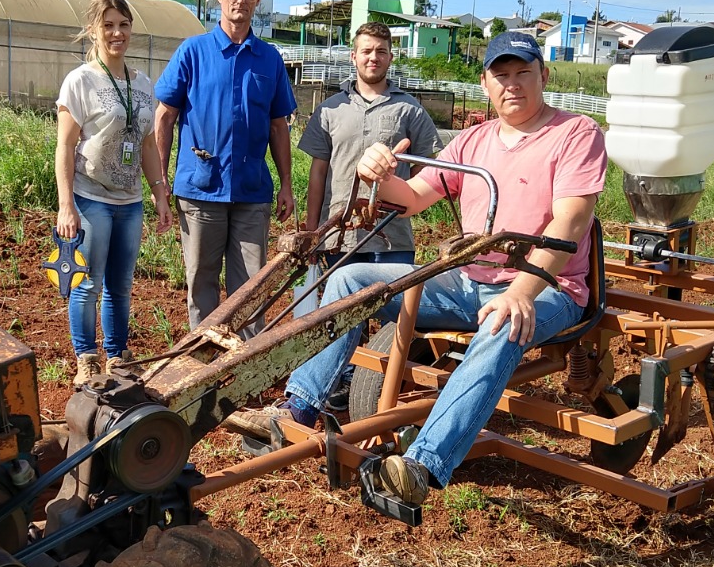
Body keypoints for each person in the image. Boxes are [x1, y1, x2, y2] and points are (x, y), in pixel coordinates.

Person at [232, 31, 606, 510]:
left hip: (549, 286)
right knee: (348, 279)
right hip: (471, 280)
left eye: (522, 73)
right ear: (486, 83)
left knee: (502, 320)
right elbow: (411, 200)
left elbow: (570, 219)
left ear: (543, 76)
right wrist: (382, 175)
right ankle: (298, 406)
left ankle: (421, 466)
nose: (512, 84)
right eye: (501, 74)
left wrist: (523, 292)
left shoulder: (575, 133)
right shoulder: (472, 141)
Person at [153, 0, 297, 330]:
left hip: (252, 192)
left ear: (258, 1)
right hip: (201, 189)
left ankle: (246, 370)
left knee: (250, 287)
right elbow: (164, 117)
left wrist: (286, 184)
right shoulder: (193, 52)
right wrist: (161, 182)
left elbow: (278, 126)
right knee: (201, 282)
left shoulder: (269, 59)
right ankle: (201, 368)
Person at [55, 0, 173, 384]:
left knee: (121, 285)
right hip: (92, 199)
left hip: (130, 201)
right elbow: (66, 146)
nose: (116, 33)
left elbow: (146, 145)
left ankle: (118, 353)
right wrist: (65, 205)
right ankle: (86, 355)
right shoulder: (80, 81)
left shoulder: (142, 83)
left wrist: (159, 193)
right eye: (107, 25)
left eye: (123, 25)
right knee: (88, 283)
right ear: (94, 30)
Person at [300, 20, 439, 271]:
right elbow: (318, 173)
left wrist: (407, 201)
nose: (373, 57)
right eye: (366, 51)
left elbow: (426, 172)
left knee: (391, 306)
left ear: (390, 58)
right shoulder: (330, 110)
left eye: (381, 51)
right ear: (354, 57)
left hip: (392, 238)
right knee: (339, 305)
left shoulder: (410, 110)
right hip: (338, 235)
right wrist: (313, 230)